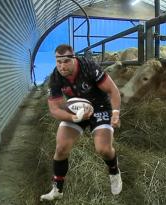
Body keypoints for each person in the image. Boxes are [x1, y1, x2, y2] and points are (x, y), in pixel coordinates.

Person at [40, 44, 122, 201]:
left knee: (103, 149)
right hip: (77, 109)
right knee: (61, 147)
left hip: (100, 107)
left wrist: (116, 114)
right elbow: (54, 109)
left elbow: (113, 90)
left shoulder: (89, 68)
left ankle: (114, 171)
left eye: (66, 61)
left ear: (74, 58)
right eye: (58, 62)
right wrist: (74, 118)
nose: (62, 66)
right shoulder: (56, 78)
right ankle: (57, 189)